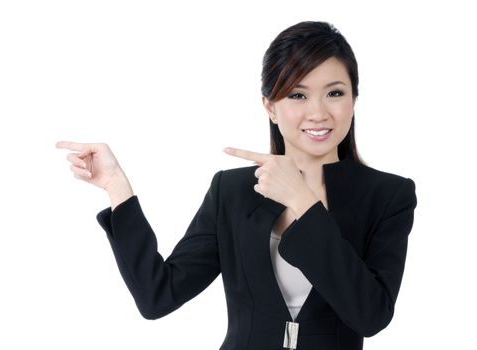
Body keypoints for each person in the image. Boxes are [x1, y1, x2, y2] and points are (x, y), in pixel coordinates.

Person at [56, 20, 417, 350]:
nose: (318, 112)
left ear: (354, 99)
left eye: (335, 93)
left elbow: (370, 316)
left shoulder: (388, 196)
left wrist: (301, 199)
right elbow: (157, 296)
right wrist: (117, 187)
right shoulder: (231, 191)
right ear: (270, 107)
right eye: (297, 94)